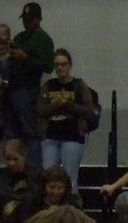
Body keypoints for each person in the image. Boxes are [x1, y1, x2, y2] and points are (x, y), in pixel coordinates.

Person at [4, 2, 52, 173]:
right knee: (12, 134)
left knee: (30, 133)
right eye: (25, 19)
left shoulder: (43, 39)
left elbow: (47, 66)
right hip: (12, 89)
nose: (26, 23)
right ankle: (14, 170)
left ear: (38, 19)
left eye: (30, 20)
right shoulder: (19, 37)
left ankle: (33, 173)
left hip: (28, 90)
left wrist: (25, 57)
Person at [39, 48, 93, 198]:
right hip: (50, 136)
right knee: (48, 175)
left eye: (63, 64)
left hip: (73, 136)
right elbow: (40, 110)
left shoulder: (79, 85)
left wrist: (68, 105)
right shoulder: (48, 85)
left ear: (69, 65)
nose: (60, 68)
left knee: (69, 177)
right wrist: (56, 105)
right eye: (57, 65)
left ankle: (71, 208)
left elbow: (89, 111)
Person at [0, 138, 35, 223]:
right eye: (8, 159)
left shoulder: (36, 177)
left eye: (15, 159)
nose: (11, 163)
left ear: (24, 156)